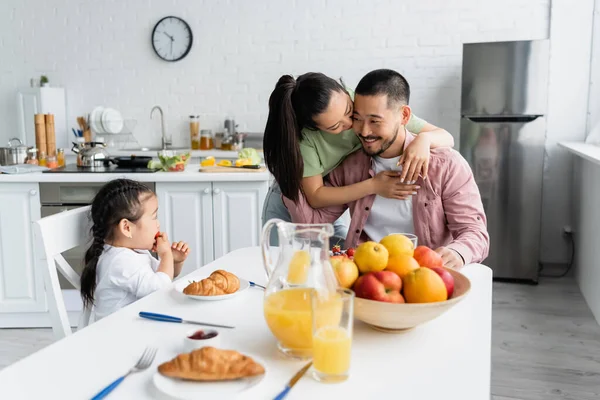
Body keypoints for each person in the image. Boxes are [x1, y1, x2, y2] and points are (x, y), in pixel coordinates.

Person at [284, 69, 489, 268]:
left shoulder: (446, 165)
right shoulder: (350, 168)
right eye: (357, 119)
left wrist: (458, 252)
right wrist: (287, 164)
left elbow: (474, 232)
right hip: (366, 275)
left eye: (375, 121)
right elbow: (310, 222)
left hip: (422, 277)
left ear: (404, 116)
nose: (363, 131)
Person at [262, 72, 455, 245]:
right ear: (314, 128)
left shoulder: (364, 105)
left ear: (346, 92)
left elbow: (447, 137)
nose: (352, 125)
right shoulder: (304, 141)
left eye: (349, 112)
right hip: (292, 201)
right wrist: (373, 186)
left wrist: (424, 139)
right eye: (335, 127)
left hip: (333, 199)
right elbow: (315, 196)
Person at [80, 179, 190, 320]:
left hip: (137, 323)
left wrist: (174, 261)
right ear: (127, 228)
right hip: (118, 334)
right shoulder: (120, 262)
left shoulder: (133, 251)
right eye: (154, 217)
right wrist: (166, 255)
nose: (158, 224)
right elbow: (159, 288)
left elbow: (163, 276)